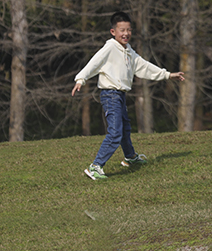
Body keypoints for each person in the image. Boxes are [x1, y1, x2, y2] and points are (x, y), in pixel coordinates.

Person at [71, 11, 185, 181]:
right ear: (113, 32)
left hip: (120, 95)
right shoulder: (110, 47)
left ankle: (130, 158)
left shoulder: (129, 51)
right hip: (110, 95)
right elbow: (94, 62)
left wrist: (168, 75)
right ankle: (95, 166)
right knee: (115, 132)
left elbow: (144, 66)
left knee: (125, 129)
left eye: (129, 30)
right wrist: (81, 79)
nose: (126, 34)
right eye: (122, 30)